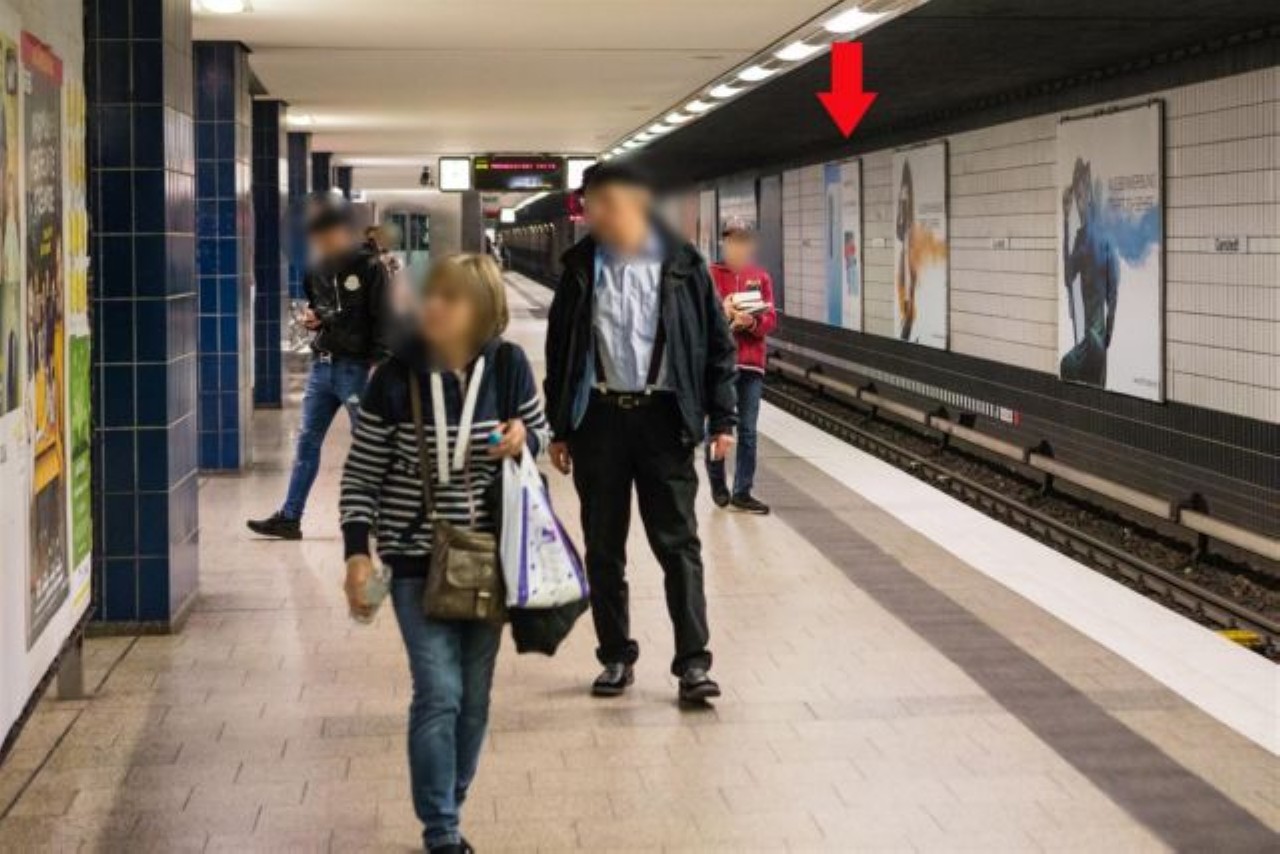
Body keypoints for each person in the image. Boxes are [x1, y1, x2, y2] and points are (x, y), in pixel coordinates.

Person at [341, 254, 548, 854]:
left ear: (482, 309)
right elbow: (361, 474)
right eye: (431, 295)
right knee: (439, 692)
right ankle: (441, 831)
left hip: (488, 556)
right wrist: (357, 554)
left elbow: (539, 433)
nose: (432, 306)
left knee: (474, 701)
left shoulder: (507, 367)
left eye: (449, 298)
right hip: (415, 557)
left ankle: (448, 799)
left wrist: (523, 439)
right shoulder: (394, 377)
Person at [543, 162, 737, 703]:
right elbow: (561, 352)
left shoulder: (684, 266)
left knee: (678, 546)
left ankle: (693, 664)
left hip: (664, 419)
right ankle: (615, 657)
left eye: (602, 205)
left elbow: (717, 347)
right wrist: (560, 427)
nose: (592, 216)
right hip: (598, 420)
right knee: (604, 548)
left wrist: (723, 419)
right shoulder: (580, 268)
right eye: (588, 207)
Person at [247, 199, 390, 540]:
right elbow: (319, 310)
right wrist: (315, 320)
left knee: (369, 444)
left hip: (356, 369)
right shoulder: (316, 270)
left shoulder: (370, 267)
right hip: (322, 367)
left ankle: (382, 517)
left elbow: (383, 319)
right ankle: (290, 517)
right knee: (307, 443)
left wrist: (379, 366)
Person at [707, 219, 776, 514]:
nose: (738, 246)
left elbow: (770, 319)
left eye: (743, 240)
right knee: (717, 428)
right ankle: (717, 483)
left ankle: (743, 491)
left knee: (748, 430)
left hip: (751, 365)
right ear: (724, 242)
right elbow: (700, 316)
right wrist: (723, 314)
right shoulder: (711, 275)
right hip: (720, 365)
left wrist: (752, 322)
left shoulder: (760, 277)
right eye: (732, 240)